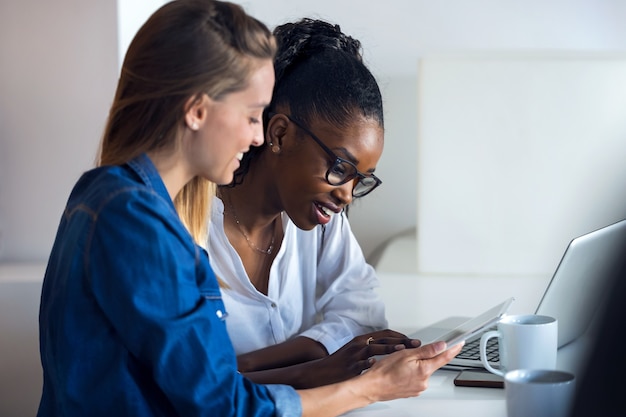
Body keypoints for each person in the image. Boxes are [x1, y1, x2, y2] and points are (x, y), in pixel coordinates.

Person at [37, 1, 462, 416]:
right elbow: (224, 403)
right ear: (198, 110)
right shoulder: (132, 220)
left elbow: (207, 385)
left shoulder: (118, 202)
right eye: (253, 114)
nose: (258, 137)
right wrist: (371, 387)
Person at [208, 18, 414, 388]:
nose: (347, 194)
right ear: (280, 135)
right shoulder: (188, 224)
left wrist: (249, 365)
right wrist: (316, 365)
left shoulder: (320, 218)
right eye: (340, 167)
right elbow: (187, 380)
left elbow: (363, 316)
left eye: (360, 179)